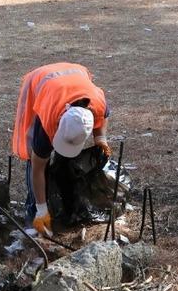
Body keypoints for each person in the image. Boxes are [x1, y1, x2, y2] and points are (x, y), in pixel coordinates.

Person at [11, 63, 111, 236]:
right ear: (58, 125)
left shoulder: (97, 102)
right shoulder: (47, 120)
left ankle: (62, 205)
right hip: (40, 81)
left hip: (73, 76)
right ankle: (33, 210)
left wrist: (100, 138)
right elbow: (38, 169)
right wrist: (42, 210)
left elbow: (104, 115)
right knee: (33, 154)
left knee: (64, 162)